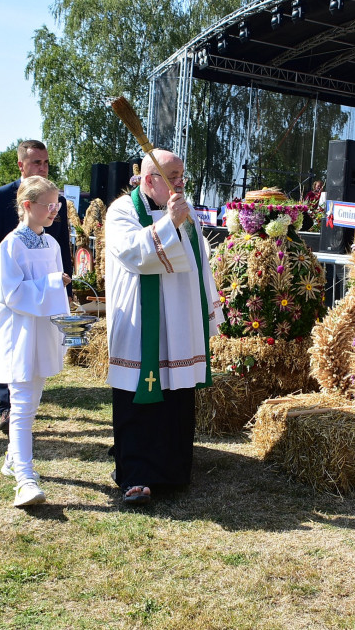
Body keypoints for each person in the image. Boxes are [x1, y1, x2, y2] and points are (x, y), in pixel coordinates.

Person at [104, 149, 223, 506]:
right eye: (173, 176)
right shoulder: (122, 210)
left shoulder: (186, 213)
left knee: (177, 397)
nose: (181, 182)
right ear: (149, 179)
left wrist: (208, 314)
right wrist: (167, 224)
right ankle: (135, 474)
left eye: (182, 175)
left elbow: (200, 264)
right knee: (139, 398)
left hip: (180, 321)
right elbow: (133, 254)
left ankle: (172, 471)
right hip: (141, 321)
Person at [0, 140, 73, 433]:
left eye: (45, 163)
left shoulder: (55, 210)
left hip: (45, 297)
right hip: (11, 289)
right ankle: (9, 410)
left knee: (37, 360)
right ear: (21, 164)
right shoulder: (0, 198)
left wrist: (62, 286)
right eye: (36, 163)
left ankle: (22, 420)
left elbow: (60, 247)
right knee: (16, 357)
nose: (42, 167)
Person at [0, 176, 71, 507]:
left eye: (57, 205)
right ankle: (24, 477)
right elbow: (11, 294)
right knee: (21, 404)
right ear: (27, 206)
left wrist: (65, 323)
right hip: (19, 331)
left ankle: (12, 457)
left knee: (33, 399)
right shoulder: (10, 246)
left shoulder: (51, 244)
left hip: (42, 330)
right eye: (49, 206)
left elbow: (54, 291)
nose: (55, 211)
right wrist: (53, 282)